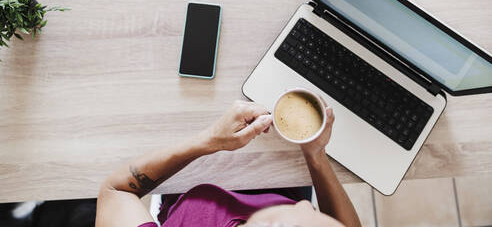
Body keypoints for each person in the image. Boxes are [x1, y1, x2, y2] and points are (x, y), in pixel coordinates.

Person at [96, 100, 361, 227]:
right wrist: (315, 155)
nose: (307, 205)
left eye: (306, 215)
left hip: (186, 187)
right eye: (315, 212)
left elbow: (116, 191)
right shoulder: (300, 206)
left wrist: (209, 140)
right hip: (279, 184)